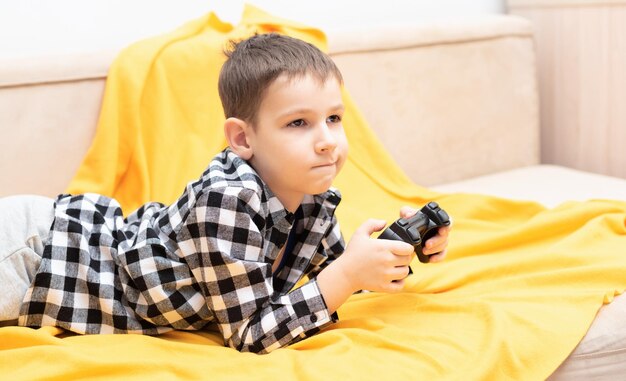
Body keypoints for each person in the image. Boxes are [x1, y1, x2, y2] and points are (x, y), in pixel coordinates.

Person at [0, 33, 451, 353]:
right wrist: (348, 274)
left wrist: (399, 249)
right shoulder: (227, 200)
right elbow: (252, 333)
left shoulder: (310, 197)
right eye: (299, 123)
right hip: (43, 253)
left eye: (334, 118)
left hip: (57, 247)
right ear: (242, 139)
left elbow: (329, 283)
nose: (327, 140)